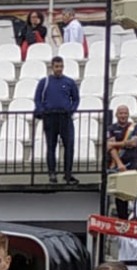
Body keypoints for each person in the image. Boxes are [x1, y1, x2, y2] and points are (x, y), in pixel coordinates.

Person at [34, 57, 80, 185]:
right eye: (56, 66)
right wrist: (42, 110)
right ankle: (52, 173)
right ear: (52, 67)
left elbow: (76, 99)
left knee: (69, 146)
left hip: (65, 117)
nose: (59, 69)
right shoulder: (45, 82)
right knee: (51, 146)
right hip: (50, 117)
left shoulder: (69, 82)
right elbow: (37, 99)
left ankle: (68, 174)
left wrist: (71, 110)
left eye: (61, 66)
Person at [106, 105, 137, 174]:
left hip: (132, 160)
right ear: (116, 115)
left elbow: (133, 143)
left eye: (125, 113)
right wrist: (119, 163)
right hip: (115, 161)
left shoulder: (135, 127)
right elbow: (110, 147)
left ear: (128, 115)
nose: (123, 115)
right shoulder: (110, 128)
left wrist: (116, 144)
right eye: (121, 113)